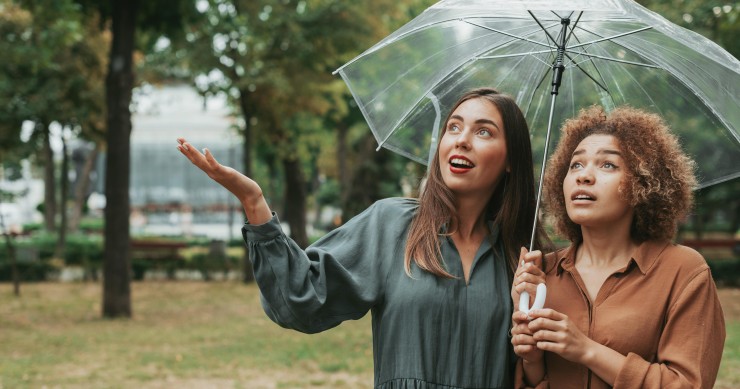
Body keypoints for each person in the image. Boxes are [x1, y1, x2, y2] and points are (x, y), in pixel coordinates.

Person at [177, 87, 549, 388]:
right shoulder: (393, 225)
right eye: (454, 127)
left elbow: (543, 373)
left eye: (483, 131)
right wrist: (254, 201)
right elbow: (300, 299)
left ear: (511, 159)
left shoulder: (526, 258)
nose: (462, 140)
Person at [510, 106, 726, 388]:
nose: (583, 176)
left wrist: (587, 351)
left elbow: (688, 384)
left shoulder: (684, 271)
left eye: (607, 165)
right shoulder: (541, 276)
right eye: (576, 164)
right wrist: (532, 360)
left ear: (644, 184)